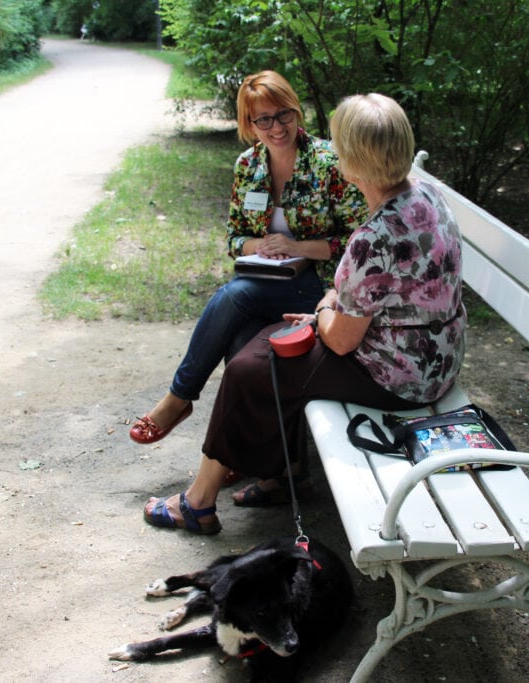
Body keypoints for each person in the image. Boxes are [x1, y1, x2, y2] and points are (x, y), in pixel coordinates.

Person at [143, 93, 467, 534]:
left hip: (402, 377)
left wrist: (324, 306)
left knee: (249, 367)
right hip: (437, 356)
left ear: (350, 164)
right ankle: (284, 474)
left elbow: (339, 340)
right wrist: (331, 307)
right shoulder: (426, 193)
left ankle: (197, 503)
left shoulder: (374, 236)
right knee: (257, 343)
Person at [128, 71, 366, 463]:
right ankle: (253, 463)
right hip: (264, 283)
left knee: (235, 295)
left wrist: (299, 247)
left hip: (319, 288)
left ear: (297, 111)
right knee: (241, 352)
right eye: (264, 119)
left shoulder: (328, 164)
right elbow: (235, 239)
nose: (277, 127)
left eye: (284, 114)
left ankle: (180, 396)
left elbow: (358, 243)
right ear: (249, 124)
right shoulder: (247, 165)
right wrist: (261, 246)